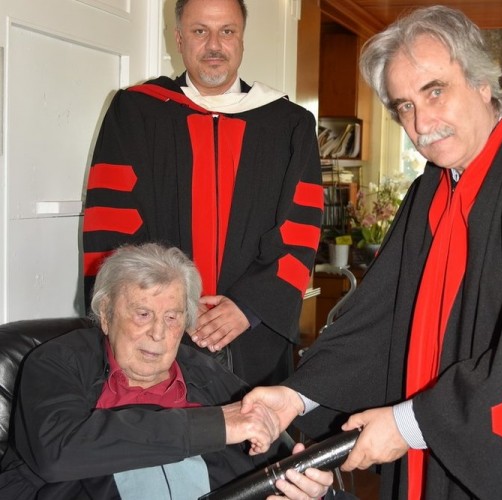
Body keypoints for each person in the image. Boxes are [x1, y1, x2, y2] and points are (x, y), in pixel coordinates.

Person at [241, 5, 502, 499]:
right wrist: (297, 396)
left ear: (482, 83)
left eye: (435, 91)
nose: (422, 122)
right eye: (404, 106)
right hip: (428, 462)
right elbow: (383, 322)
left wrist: (411, 424)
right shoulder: (433, 188)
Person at [82, 0, 323, 387]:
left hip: (253, 333)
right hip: (155, 329)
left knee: (253, 422)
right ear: (179, 39)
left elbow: (301, 227)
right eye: (200, 31)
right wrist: (165, 307)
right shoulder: (136, 113)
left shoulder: (289, 125)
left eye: (227, 31)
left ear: (241, 39)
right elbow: (111, 222)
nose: (214, 45)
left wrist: (249, 306)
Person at [0, 242, 336, 499]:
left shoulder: (209, 379)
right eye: (143, 314)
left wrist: (310, 489)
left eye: (172, 317)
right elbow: (57, 452)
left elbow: (279, 463)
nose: (158, 333)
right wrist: (215, 426)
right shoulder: (58, 362)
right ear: (105, 314)